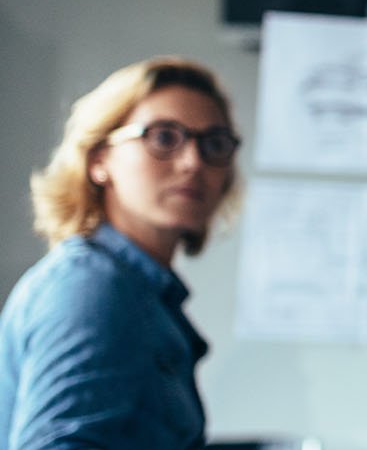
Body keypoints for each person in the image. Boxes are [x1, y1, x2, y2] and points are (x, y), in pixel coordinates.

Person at [0, 57, 242, 449]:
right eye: (164, 137)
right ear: (99, 160)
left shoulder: (139, 294)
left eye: (214, 144)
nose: (193, 162)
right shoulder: (92, 289)